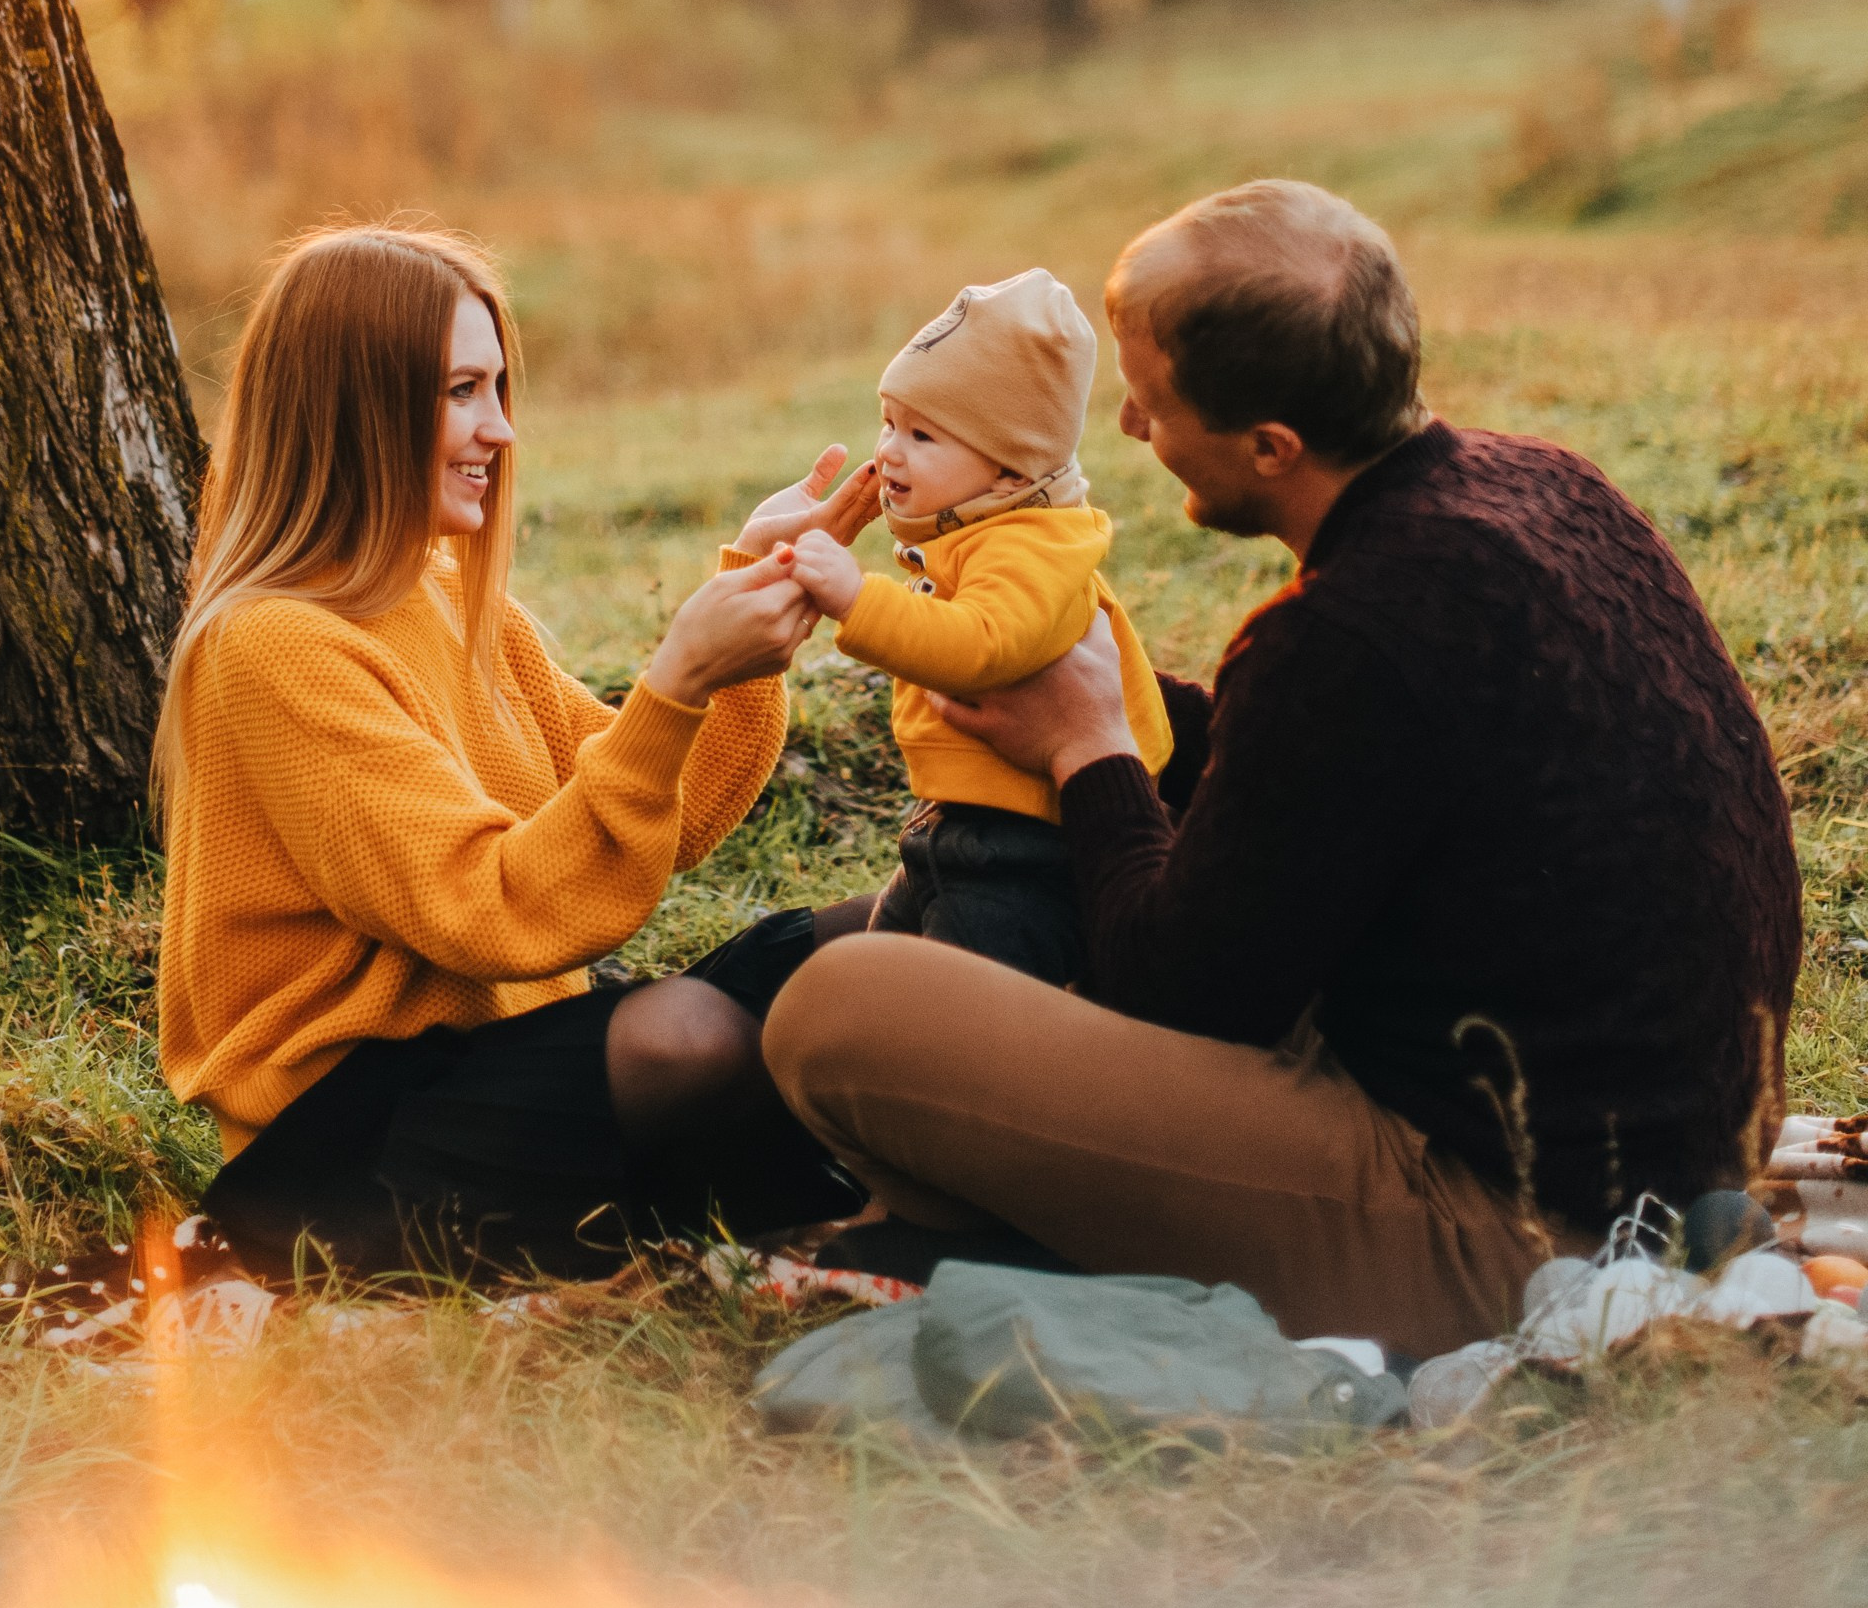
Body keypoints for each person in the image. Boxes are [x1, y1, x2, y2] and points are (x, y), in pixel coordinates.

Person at [765, 180, 1803, 1361]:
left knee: (841, 1008)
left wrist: (1090, 747)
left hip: (1505, 1219)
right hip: (1664, 1132)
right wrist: (1119, 708)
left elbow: (1178, 986)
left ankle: (1017, 1246)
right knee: (942, 925)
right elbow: (1333, 777)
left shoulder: (1349, 627)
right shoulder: (1547, 488)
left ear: (1269, 445)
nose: (1129, 433)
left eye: (1150, 405)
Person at [155, 222, 875, 1282]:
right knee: (681, 1035)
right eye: (457, 391)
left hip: (500, 1064)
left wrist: (748, 621)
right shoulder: (271, 643)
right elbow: (490, 908)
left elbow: (661, 820)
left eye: (497, 389)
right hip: (348, 1146)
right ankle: (833, 1229)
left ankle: (889, 1198)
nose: (496, 427)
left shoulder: (452, 597)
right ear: (351, 402)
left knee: (868, 940)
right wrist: (673, 676)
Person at [776, 268, 1171, 984]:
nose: (890, 450)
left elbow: (983, 644)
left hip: (1025, 853)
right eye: (889, 422)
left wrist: (855, 599)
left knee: (953, 1002)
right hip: (958, 826)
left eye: (923, 435)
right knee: (881, 967)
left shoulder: (1035, 543)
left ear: (1010, 474)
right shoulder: (979, 529)